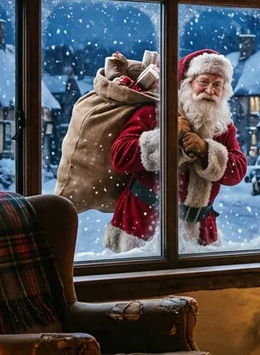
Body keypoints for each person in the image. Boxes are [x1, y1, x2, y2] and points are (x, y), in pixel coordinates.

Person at [104, 49, 247, 252]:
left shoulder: (223, 126)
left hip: (200, 229)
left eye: (217, 85)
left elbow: (237, 171)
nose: (210, 90)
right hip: (143, 221)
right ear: (188, 83)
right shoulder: (153, 112)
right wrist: (167, 136)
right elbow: (120, 156)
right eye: (203, 82)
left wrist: (205, 150)